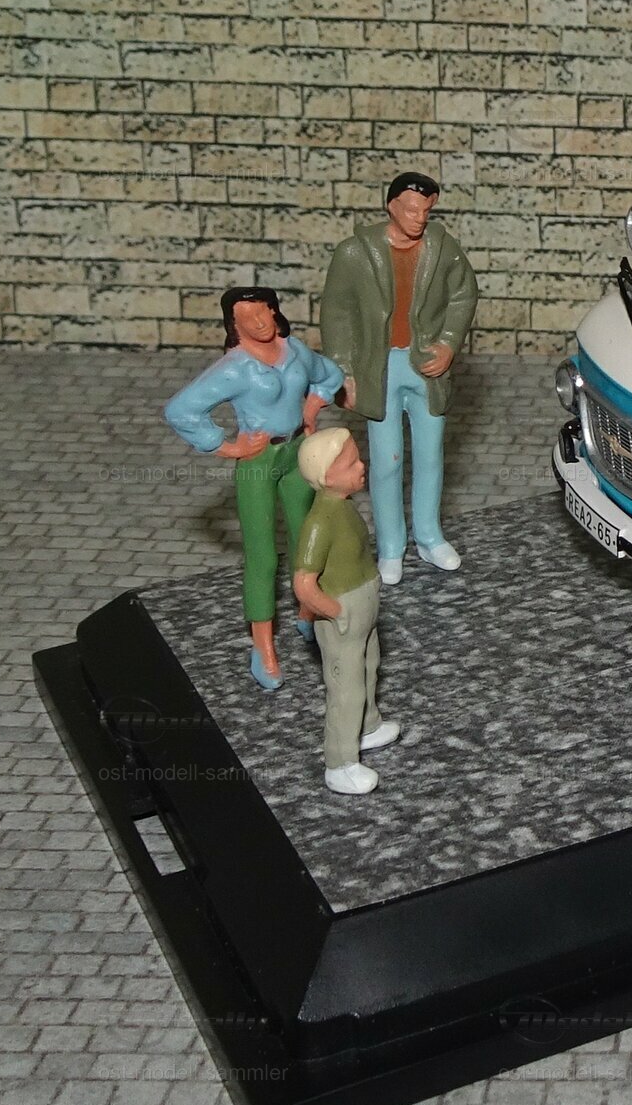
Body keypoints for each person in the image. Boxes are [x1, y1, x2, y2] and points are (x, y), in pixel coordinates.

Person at [164, 287, 344, 690]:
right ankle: (263, 647)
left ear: (275, 312)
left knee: (308, 539)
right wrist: (227, 447)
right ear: (234, 324)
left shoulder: (295, 351)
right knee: (262, 557)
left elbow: (329, 374)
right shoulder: (235, 368)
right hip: (258, 463)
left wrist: (312, 406)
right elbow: (180, 410)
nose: (260, 322)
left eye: (265, 312)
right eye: (249, 317)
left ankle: (308, 613)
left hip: (297, 453)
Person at [320, 172, 478, 584]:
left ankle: (429, 535)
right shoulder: (354, 253)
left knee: (430, 457)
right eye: (411, 209)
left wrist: (448, 344)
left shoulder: (442, 248)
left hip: (425, 367)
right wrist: (344, 373)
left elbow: (464, 294)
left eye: (426, 211)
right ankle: (391, 546)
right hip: (379, 368)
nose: (419, 218)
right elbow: (337, 314)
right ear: (391, 206)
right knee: (387, 462)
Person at [292, 427, 399, 796]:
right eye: (351, 463)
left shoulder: (344, 507)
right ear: (326, 476)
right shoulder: (319, 523)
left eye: (357, 458)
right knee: (346, 690)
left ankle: (367, 726)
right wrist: (334, 612)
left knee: (369, 669)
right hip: (344, 617)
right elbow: (304, 584)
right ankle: (340, 763)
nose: (361, 466)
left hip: (364, 610)